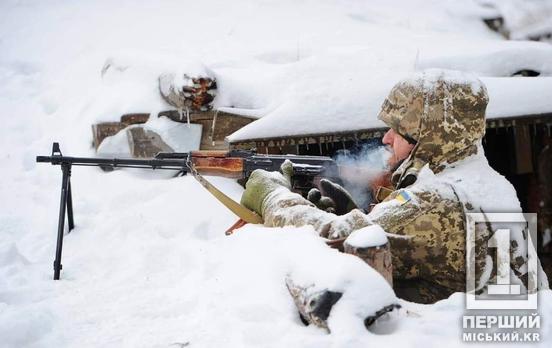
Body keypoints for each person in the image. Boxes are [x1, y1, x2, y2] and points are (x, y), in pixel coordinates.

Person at [240, 69, 548, 309]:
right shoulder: (489, 184)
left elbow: (331, 237)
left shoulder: (434, 200)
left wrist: (273, 197)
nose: (387, 138)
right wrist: (360, 215)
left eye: (398, 130)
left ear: (428, 137)